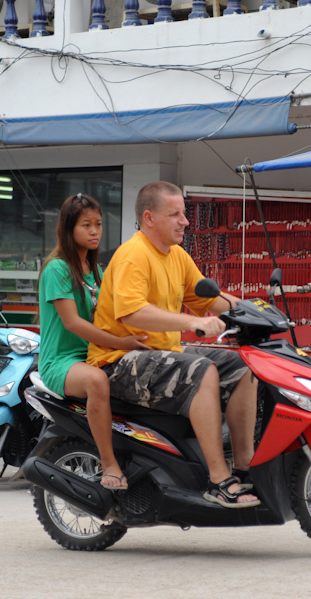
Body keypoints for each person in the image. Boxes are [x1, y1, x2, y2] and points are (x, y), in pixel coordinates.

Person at [87, 181, 260, 508]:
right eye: (176, 214)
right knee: (203, 370)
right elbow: (132, 312)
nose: (185, 221)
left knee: (243, 366)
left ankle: (245, 466)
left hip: (163, 354)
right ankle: (218, 480)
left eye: (184, 213)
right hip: (121, 360)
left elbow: (209, 298)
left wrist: (255, 310)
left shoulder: (177, 256)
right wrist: (191, 322)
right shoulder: (133, 255)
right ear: (149, 218)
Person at [38, 193, 149, 490]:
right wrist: (123, 343)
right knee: (98, 381)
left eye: (98, 224)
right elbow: (73, 323)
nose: (94, 231)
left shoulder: (99, 272)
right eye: (86, 225)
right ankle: (109, 463)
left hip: (95, 353)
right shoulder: (57, 269)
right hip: (62, 361)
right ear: (68, 228)